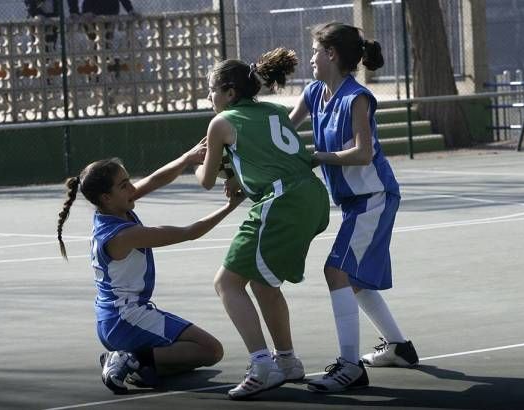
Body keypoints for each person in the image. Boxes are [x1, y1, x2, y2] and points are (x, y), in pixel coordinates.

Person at [289, 22, 419, 393]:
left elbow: (363, 154)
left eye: (315, 51)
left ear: (331, 54)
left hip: (374, 197)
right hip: (353, 203)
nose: (310, 58)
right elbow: (282, 128)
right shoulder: (315, 93)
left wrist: (318, 157)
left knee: (337, 271)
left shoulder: (356, 98)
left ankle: (350, 367)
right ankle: (398, 347)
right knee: (353, 278)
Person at [194, 48, 330, 400]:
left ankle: (262, 366)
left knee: (227, 283)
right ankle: (286, 362)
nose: (209, 97)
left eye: (212, 90)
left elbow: (206, 180)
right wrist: (238, 174)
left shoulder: (220, 123)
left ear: (228, 93)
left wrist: (198, 161)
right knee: (263, 285)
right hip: (311, 195)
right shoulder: (274, 110)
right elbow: (271, 154)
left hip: (281, 201)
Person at [56, 145, 243, 393]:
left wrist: (187, 158)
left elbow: (155, 179)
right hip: (126, 318)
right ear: (106, 197)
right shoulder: (122, 235)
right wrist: (231, 205)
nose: (132, 188)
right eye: (124, 185)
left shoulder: (111, 209)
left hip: (113, 317)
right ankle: (127, 358)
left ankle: (136, 365)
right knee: (211, 351)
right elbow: (189, 233)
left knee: (185, 360)